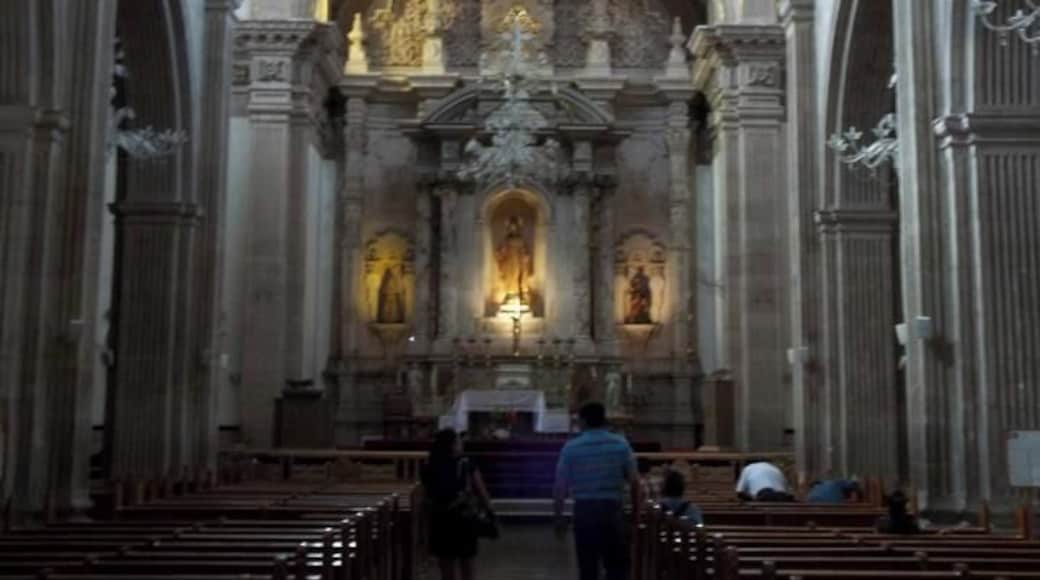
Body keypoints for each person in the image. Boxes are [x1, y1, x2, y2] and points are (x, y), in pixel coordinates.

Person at [554, 401, 639, 580]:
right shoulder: (620, 444)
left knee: (588, 566)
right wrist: (635, 513)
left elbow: (560, 486)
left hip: (584, 511)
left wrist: (559, 516)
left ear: (583, 421)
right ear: (604, 420)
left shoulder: (571, 448)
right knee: (616, 567)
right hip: (612, 511)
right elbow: (634, 481)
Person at [422, 429, 493, 580]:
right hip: (463, 517)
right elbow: (481, 490)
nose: (461, 444)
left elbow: (427, 493)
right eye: (458, 442)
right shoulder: (467, 463)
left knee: (446, 562)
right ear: (452, 445)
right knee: (467, 562)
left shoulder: (430, 464)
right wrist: (489, 510)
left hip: (441, 518)